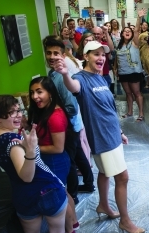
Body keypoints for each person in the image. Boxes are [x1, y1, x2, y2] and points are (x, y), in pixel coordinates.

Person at [53, 40, 145, 233]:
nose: (101, 58)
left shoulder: (102, 79)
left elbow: (109, 109)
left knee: (104, 173)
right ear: (85, 56)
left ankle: (103, 205)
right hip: (102, 138)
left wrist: (119, 132)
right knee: (123, 177)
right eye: (95, 54)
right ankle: (125, 221)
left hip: (112, 133)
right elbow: (73, 86)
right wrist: (64, 74)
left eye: (102, 54)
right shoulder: (81, 79)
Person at [0, 95, 68, 233]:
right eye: (11, 112)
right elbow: (26, 176)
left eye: (18, 110)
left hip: (22, 196)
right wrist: (31, 150)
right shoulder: (13, 141)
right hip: (47, 191)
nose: (18, 115)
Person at [43, 35, 95, 200]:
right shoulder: (54, 73)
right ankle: (88, 183)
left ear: (63, 55)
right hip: (73, 123)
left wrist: (61, 120)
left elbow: (71, 106)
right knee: (79, 154)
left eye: (56, 53)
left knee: (69, 160)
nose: (52, 57)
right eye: (48, 53)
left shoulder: (59, 77)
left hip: (69, 124)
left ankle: (73, 194)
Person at [27, 76, 78, 233]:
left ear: (50, 93)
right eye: (32, 92)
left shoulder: (55, 116)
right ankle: (74, 222)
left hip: (55, 161)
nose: (35, 96)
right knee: (64, 191)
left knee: (60, 197)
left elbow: (57, 147)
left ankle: (69, 231)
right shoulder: (47, 111)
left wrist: (30, 148)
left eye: (39, 92)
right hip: (53, 161)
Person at [114, 9, 146, 121]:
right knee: (128, 93)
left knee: (137, 93)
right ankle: (130, 112)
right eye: (125, 31)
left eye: (129, 31)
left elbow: (137, 30)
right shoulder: (119, 45)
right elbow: (117, 58)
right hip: (123, 73)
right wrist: (116, 68)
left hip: (134, 72)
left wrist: (139, 17)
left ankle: (141, 113)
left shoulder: (135, 43)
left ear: (131, 34)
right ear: (122, 34)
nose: (127, 32)